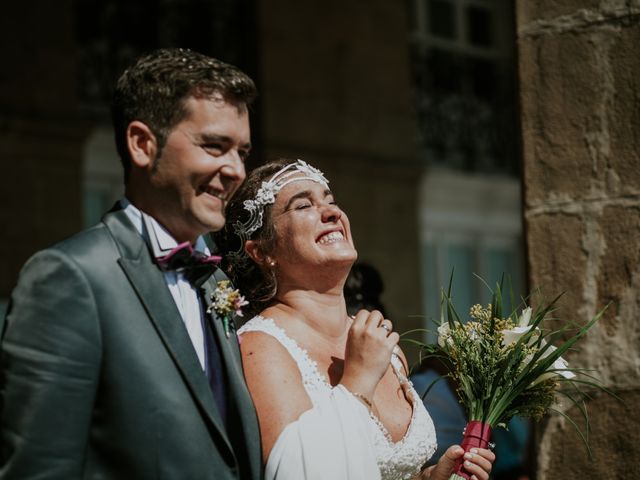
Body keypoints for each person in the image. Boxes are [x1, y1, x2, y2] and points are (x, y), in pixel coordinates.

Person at [0, 48, 262, 479]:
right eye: (215, 146)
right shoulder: (72, 278)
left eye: (242, 152)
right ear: (142, 144)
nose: (235, 169)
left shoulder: (216, 279)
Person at [214, 158, 496, 480]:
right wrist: (359, 379)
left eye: (331, 201)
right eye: (303, 205)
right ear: (262, 251)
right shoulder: (260, 348)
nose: (332, 213)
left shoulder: (381, 346)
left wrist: (430, 477)